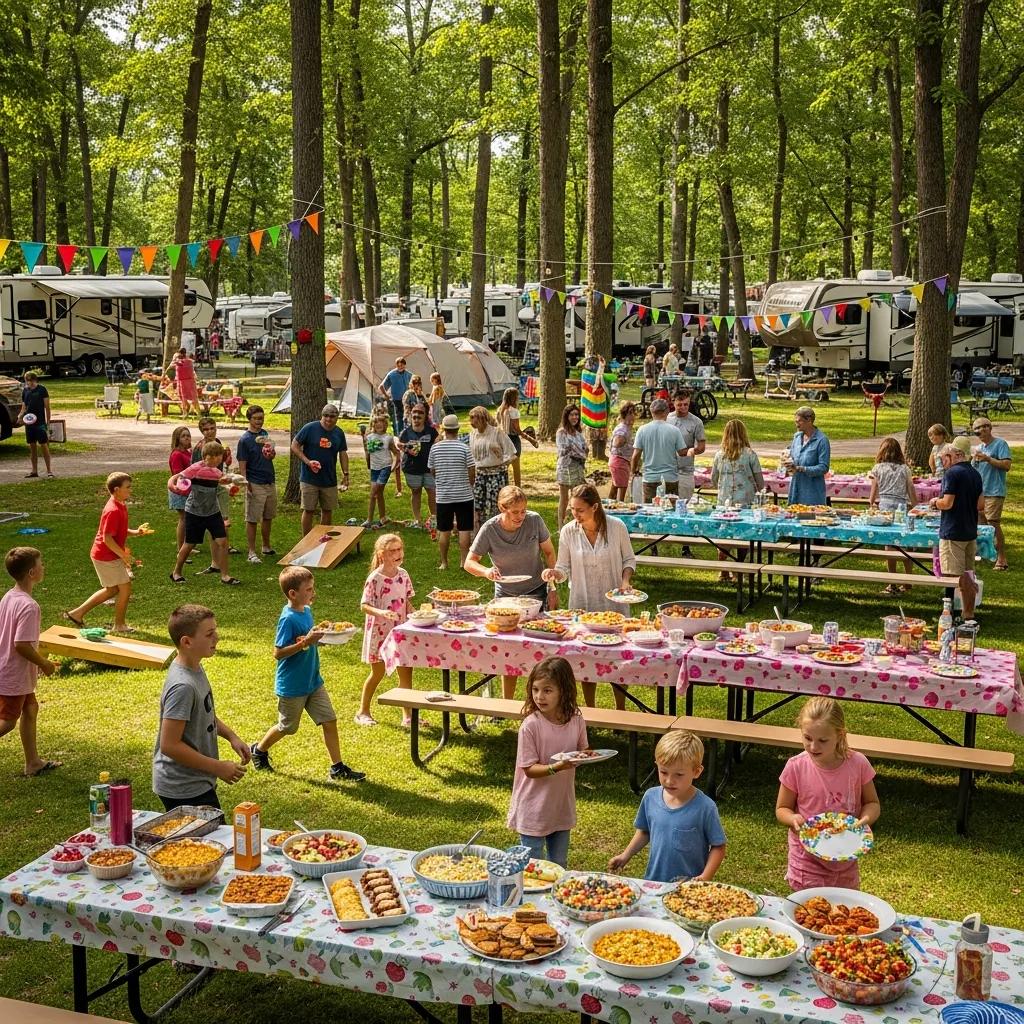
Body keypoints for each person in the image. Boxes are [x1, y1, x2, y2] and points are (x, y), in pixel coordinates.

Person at [249, 567, 365, 781]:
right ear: (293, 594)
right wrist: (306, 642)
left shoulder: (306, 611)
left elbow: (309, 640)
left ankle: (337, 768)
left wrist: (331, 638)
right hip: (293, 685)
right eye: (309, 589)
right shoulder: (288, 619)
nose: (314, 593)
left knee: (329, 720)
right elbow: (278, 653)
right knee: (287, 727)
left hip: (313, 680)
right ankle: (259, 750)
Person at [775, 696, 880, 891]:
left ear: (840, 734)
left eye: (823, 740)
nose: (813, 747)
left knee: (843, 913)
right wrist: (793, 818)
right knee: (808, 914)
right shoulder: (796, 767)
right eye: (807, 738)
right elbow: (782, 808)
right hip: (806, 860)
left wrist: (865, 819)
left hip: (845, 858)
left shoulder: (858, 764)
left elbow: (872, 803)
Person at [152, 604, 251, 810]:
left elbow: (204, 713)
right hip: (182, 786)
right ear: (187, 642)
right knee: (204, 840)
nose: (217, 637)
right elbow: (169, 745)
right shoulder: (183, 686)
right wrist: (218, 767)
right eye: (209, 634)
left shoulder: (194, 666)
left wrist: (231, 736)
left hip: (196, 779)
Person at [465, 485, 558, 699]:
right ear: (502, 508)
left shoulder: (534, 521)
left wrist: (552, 586)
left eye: (523, 510)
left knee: (540, 649)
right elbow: (469, 563)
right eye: (515, 512)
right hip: (506, 597)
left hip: (536, 592)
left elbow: (549, 552)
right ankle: (507, 702)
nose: (521, 516)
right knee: (509, 648)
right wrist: (486, 571)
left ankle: (541, 699)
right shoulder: (490, 529)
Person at [549, 484, 637, 709]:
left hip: (614, 606)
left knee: (619, 658)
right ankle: (590, 708)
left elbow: (629, 560)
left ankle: (620, 709)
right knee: (585, 659)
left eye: (579, 510)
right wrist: (554, 574)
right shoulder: (569, 531)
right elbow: (563, 567)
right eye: (572, 509)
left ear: (595, 507)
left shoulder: (617, 527)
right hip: (582, 603)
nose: (574, 515)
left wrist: (625, 582)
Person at [608, 731, 726, 882]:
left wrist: (705, 877)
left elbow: (718, 847)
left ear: (696, 772)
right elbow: (645, 832)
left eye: (679, 775)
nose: (669, 781)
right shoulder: (650, 797)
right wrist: (625, 855)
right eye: (664, 772)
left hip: (689, 889)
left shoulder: (705, 807)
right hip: (654, 882)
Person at [506, 657, 587, 868]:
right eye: (535, 690)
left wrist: (582, 757)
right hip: (533, 809)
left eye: (548, 690)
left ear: (564, 690)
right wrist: (556, 767)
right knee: (533, 868)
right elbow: (529, 769)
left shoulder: (576, 720)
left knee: (559, 864)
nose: (539, 697)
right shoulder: (530, 726)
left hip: (560, 806)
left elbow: (583, 750)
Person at [0, 547, 60, 777]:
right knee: (6, 722)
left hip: (14, 670)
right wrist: (43, 663)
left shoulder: (9, 596)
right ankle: (32, 762)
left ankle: (32, 762)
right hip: (13, 673)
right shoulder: (28, 606)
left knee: (31, 708)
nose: (43, 566)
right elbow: (21, 644)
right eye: (41, 563)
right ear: (32, 572)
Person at [65, 472, 147, 631]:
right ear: (117, 489)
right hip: (106, 556)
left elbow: (118, 530)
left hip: (108, 555)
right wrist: (124, 555)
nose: (131, 490)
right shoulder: (113, 510)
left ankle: (77, 613)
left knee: (112, 590)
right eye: (128, 487)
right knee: (125, 588)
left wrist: (135, 532)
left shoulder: (120, 504)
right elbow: (107, 538)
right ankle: (119, 625)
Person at [357, 534, 415, 727]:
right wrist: (381, 612)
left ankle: (407, 716)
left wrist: (418, 614)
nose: (398, 553)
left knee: (406, 673)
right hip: (380, 632)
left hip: (400, 632)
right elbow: (364, 605)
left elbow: (407, 602)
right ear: (382, 554)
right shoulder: (375, 579)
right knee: (377, 673)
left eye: (400, 549)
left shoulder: (403, 575)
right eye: (393, 551)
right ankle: (363, 711)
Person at [168, 441, 240, 586]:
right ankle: (176, 572)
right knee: (189, 544)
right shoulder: (195, 469)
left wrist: (231, 488)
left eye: (221, 456)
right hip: (194, 512)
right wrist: (177, 484)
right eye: (218, 456)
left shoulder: (217, 472)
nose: (220, 459)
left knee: (223, 542)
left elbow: (224, 484)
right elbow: (179, 477)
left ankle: (225, 575)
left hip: (212, 512)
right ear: (208, 456)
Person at [929, 442, 983, 621]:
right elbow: (980, 505)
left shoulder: (952, 473)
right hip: (969, 530)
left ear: (955, 455)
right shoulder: (975, 474)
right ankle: (968, 614)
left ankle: (948, 615)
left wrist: (934, 503)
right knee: (968, 573)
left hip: (953, 531)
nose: (943, 463)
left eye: (944, 458)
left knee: (953, 576)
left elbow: (947, 503)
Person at [711, 419, 765, 579]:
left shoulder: (719, 455)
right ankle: (739, 567)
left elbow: (713, 478)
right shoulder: (749, 454)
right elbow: (760, 481)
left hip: (724, 502)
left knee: (723, 535)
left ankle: (724, 569)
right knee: (743, 533)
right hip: (745, 501)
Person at [868, 437, 918, 592]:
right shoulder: (905, 469)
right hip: (901, 507)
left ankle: (892, 581)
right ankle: (908, 579)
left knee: (889, 544)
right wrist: (916, 507)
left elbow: (873, 493)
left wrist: (872, 503)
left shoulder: (878, 468)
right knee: (905, 542)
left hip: (885, 506)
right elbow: (911, 490)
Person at [291, 404, 350, 536]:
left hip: (329, 479)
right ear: (322, 416)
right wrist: (308, 462)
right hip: (309, 478)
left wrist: (346, 473)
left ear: (337, 418)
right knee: (308, 509)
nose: (328, 419)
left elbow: (343, 453)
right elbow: (294, 445)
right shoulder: (310, 428)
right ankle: (305, 540)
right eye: (326, 416)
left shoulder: (339, 433)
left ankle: (324, 539)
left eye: (332, 416)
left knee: (328, 510)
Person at [428, 414, 476, 570]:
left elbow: (432, 470)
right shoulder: (464, 447)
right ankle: (463, 562)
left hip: (444, 496)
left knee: (444, 529)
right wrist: (469, 484)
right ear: (457, 429)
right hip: (464, 494)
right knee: (464, 529)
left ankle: (444, 562)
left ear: (443, 429)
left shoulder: (435, 448)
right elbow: (471, 470)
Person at [193, 418, 238, 568]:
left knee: (225, 519)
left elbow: (224, 465)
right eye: (206, 429)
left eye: (212, 428)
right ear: (201, 431)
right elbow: (195, 470)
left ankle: (226, 546)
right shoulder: (199, 448)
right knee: (212, 521)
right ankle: (214, 559)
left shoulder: (218, 443)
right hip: (207, 489)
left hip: (220, 486)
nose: (210, 431)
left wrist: (228, 459)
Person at [236, 406, 277, 564]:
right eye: (256, 418)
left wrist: (271, 453)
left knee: (268, 516)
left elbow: (269, 456)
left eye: (261, 418)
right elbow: (242, 464)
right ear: (250, 419)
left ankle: (266, 546)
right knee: (252, 518)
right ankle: (251, 552)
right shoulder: (245, 440)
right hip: (255, 481)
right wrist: (246, 483)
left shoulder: (264, 435)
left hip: (269, 480)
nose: (260, 421)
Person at [629, 397, 688, 503]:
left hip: (650, 477)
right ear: (666, 412)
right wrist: (693, 449)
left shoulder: (642, 430)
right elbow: (681, 452)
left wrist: (633, 471)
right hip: (670, 477)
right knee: (670, 510)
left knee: (649, 510)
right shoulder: (674, 430)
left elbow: (636, 454)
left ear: (651, 412)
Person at [972, 418, 1011, 571]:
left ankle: (1002, 558)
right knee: (980, 524)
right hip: (980, 492)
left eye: (984, 427)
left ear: (989, 428)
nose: (981, 431)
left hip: (995, 490)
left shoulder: (1000, 444)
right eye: (977, 429)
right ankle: (985, 554)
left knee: (993, 524)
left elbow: (1007, 465)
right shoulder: (978, 448)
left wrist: (988, 459)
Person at [468, 406, 515, 529]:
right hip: (480, 475)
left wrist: (502, 459)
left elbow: (512, 453)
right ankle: (481, 532)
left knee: (496, 506)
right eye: (470, 418)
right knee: (478, 505)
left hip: (496, 475)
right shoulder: (473, 435)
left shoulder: (497, 432)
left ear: (483, 418)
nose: (471, 421)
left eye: (474, 417)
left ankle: (499, 530)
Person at [397, 406, 438, 528]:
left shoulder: (431, 431)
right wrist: (406, 448)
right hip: (412, 468)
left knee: (432, 492)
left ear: (425, 416)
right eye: (414, 412)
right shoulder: (406, 432)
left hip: (429, 468)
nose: (417, 415)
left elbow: (438, 442)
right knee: (415, 492)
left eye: (420, 412)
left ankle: (434, 519)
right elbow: (399, 444)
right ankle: (417, 520)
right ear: (411, 415)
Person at [362, 411, 402, 528]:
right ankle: (379, 518)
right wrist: (368, 463)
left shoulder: (388, 438)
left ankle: (372, 519)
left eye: (381, 424)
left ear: (385, 425)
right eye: (376, 424)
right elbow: (368, 454)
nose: (379, 426)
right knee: (377, 494)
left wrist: (394, 466)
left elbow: (396, 453)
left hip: (385, 467)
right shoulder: (369, 438)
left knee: (375, 491)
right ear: (373, 425)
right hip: (375, 469)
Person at [785, 406, 831, 506]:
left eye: (799, 421)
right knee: (792, 519)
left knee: (809, 520)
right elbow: (792, 457)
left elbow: (824, 467)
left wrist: (803, 469)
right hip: (796, 489)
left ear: (809, 420)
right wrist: (788, 463)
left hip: (812, 493)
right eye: (795, 421)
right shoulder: (797, 437)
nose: (796, 424)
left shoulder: (822, 440)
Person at [666, 389, 706, 501]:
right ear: (673, 402)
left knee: (684, 504)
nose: (683, 407)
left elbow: (702, 446)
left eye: (686, 404)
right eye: (679, 405)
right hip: (666, 469)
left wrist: (692, 451)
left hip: (685, 470)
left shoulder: (696, 422)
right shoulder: (666, 419)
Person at [496, 388, 537, 489]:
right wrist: (530, 438)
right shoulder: (513, 411)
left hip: (502, 439)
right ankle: (517, 488)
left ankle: (499, 485)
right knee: (515, 465)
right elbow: (517, 429)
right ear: (514, 398)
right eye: (517, 396)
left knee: (504, 465)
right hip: (513, 439)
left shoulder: (500, 410)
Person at [555, 405, 588, 525]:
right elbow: (564, 449)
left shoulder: (578, 433)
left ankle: (575, 523)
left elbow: (585, 449)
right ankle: (561, 525)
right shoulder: (561, 432)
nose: (575, 417)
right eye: (572, 415)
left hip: (578, 467)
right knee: (564, 498)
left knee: (577, 497)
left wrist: (582, 452)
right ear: (566, 416)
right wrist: (579, 452)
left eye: (577, 415)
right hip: (565, 468)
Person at [17, 371, 54, 479]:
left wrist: (48, 422)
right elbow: (24, 407)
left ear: (35, 380)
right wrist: (20, 417)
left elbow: (47, 407)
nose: (30, 383)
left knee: (44, 445)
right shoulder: (25, 391)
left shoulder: (42, 390)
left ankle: (49, 471)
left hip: (40, 423)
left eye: (32, 381)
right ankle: (34, 471)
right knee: (32, 447)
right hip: (29, 423)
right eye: (28, 381)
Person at [580, 355, 611, 462]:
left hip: (598, 407)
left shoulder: (586, 374)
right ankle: (596, 453)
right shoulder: (586, 376)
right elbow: (597, 384)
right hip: (591, 406)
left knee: (600, 430)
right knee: (593, 429)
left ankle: (600, 453)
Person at [168, 426, 193, 552]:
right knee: (183, 518)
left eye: (188, 435)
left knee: (188, 518)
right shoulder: (177, 454)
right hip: (180, 490)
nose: (187, 438)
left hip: (188, 488)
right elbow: (179, 474)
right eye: (183, 436)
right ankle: (181, 547)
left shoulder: (187, 452)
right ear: (177, 438)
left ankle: (187, 544)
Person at [608, 401, 637, 501]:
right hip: (620, 461)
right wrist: (622, 440)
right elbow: (617, 442)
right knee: (622, 489)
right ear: (624, 414)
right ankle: (620, 510)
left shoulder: (626, 427)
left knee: (615, 487)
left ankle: (608, 508)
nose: (632, 415)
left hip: (620, 461)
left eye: (633, 413)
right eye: (630, 413)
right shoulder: (622, 429)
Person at [378, 357, 412, 435]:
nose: (400, 367)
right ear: (396, 365)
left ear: (405, 365)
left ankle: (406, 436)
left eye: (402, 365)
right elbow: (381, 386)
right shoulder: (392, 374)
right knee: (398, 419)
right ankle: (398, 436)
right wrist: (387, 396)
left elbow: (414, 384)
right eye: (398, 365)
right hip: (396, 400)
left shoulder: (408, 374)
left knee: (407, 418)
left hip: (407, 401)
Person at [173, 347, 199, 417]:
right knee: (185, 398)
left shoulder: (185, 361)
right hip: (184, 381)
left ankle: (188, 412)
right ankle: (187, 412)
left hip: (186, 381)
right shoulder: (188, 361)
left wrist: (175, 359)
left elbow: (178, 364)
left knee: (189, 398)